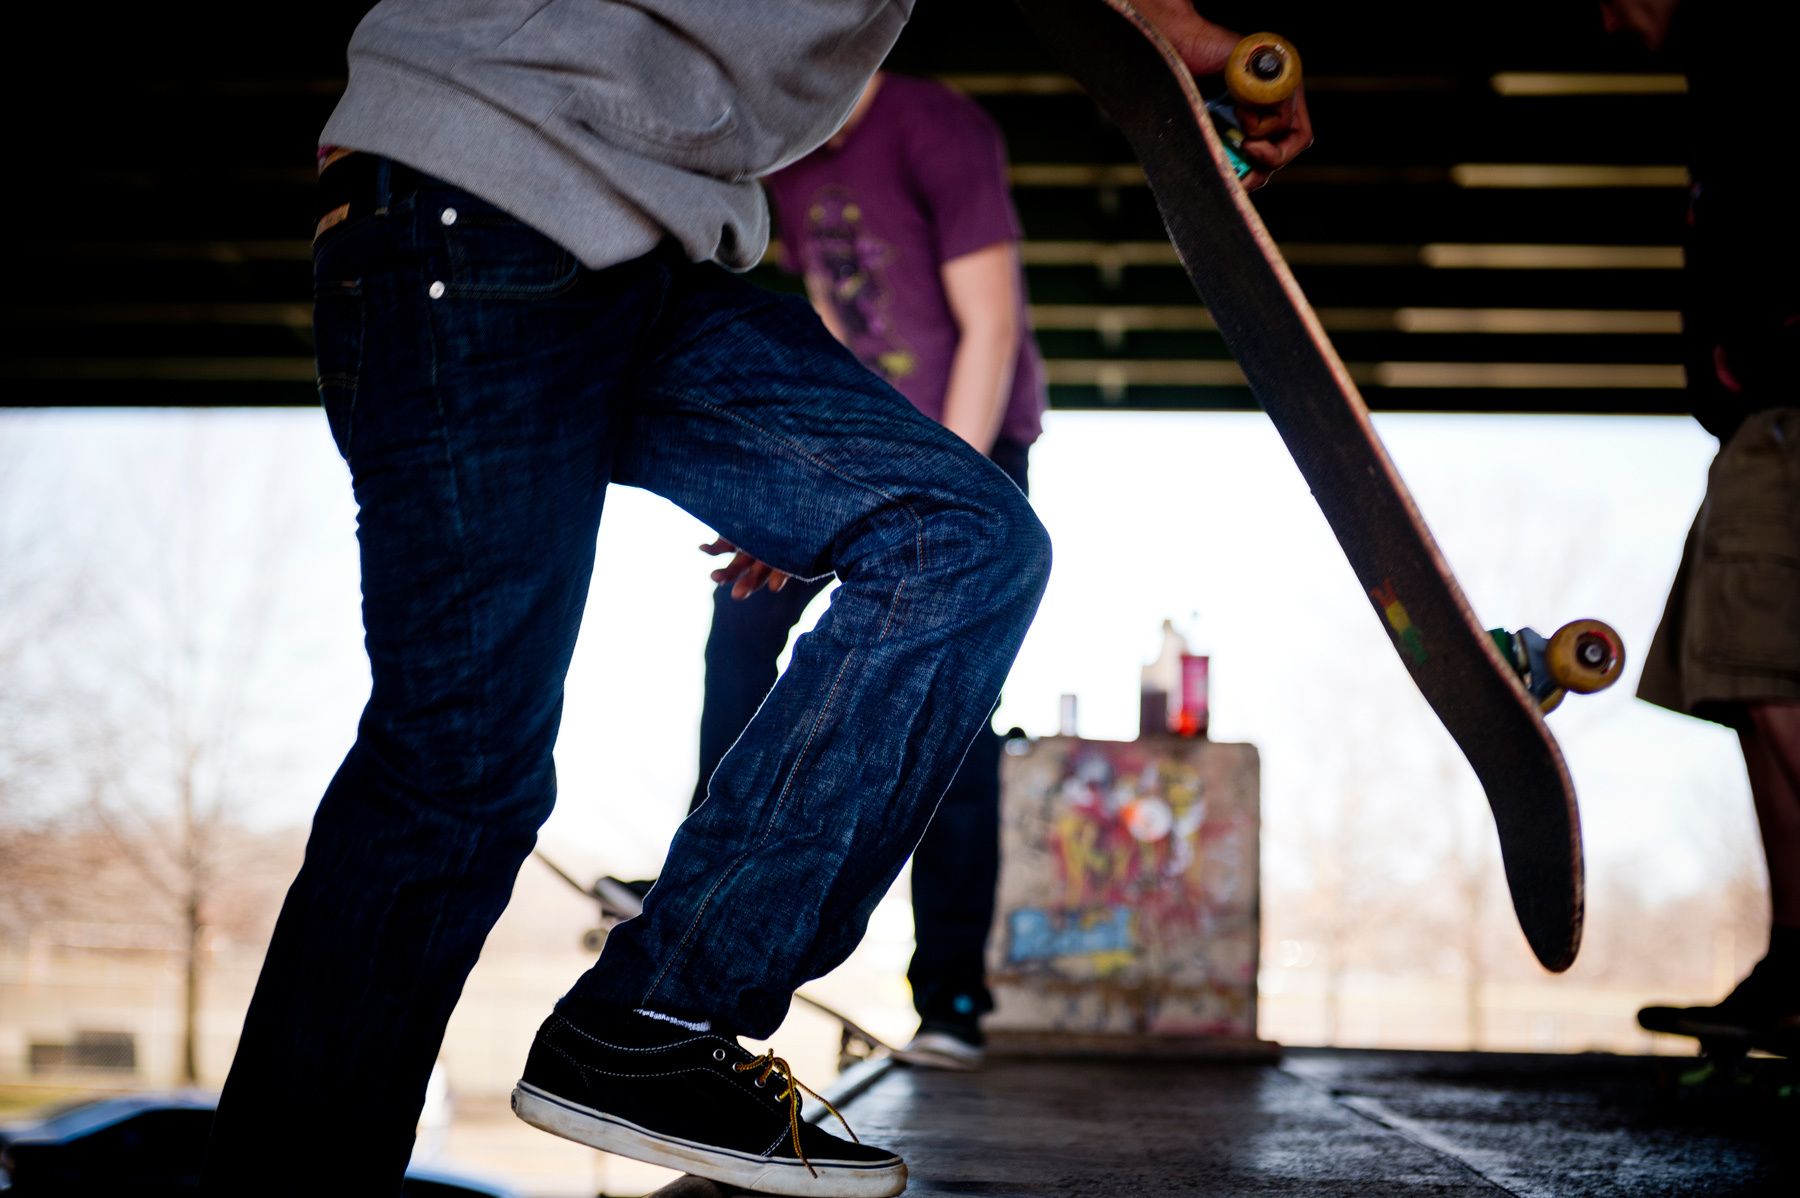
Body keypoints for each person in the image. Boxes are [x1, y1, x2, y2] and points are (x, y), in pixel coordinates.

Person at [201, 2, 1310, 1195]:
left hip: (654, 267)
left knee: (965, 536)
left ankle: (656, 1019)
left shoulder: (922, 134)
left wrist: (804, 482)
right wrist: (1163, 31)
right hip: (475, 205)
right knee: (462, 771)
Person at [608, 69, 1047, 1072]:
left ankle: (951, 995)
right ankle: (697, 896)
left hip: (970, 446)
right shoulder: (786, 153)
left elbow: (991, 323)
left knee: (951, 701)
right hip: (860, 437)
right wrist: (798, 485)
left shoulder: (937, 126)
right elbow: (837, 335)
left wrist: (953, 505)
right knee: (741, 626)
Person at [1596, 0, 1800, 1046]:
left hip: (1788, 408)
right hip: (1757, 418)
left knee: (1771, 681)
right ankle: (1798, 963)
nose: (1600, 18)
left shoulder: (1767, 34)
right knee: (1747, 683)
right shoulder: (1729, 64)